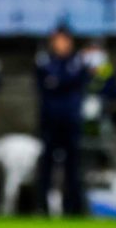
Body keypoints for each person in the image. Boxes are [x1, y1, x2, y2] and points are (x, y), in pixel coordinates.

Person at [34, 25, 87, 216]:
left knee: (72, 165)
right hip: (50, 120)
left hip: (71, 120)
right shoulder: (45, 60)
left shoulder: (77, 61)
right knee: (47, 165)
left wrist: (58, 82)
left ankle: (73, 206)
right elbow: (45, 84)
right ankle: (41, 206)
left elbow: (68, 82)